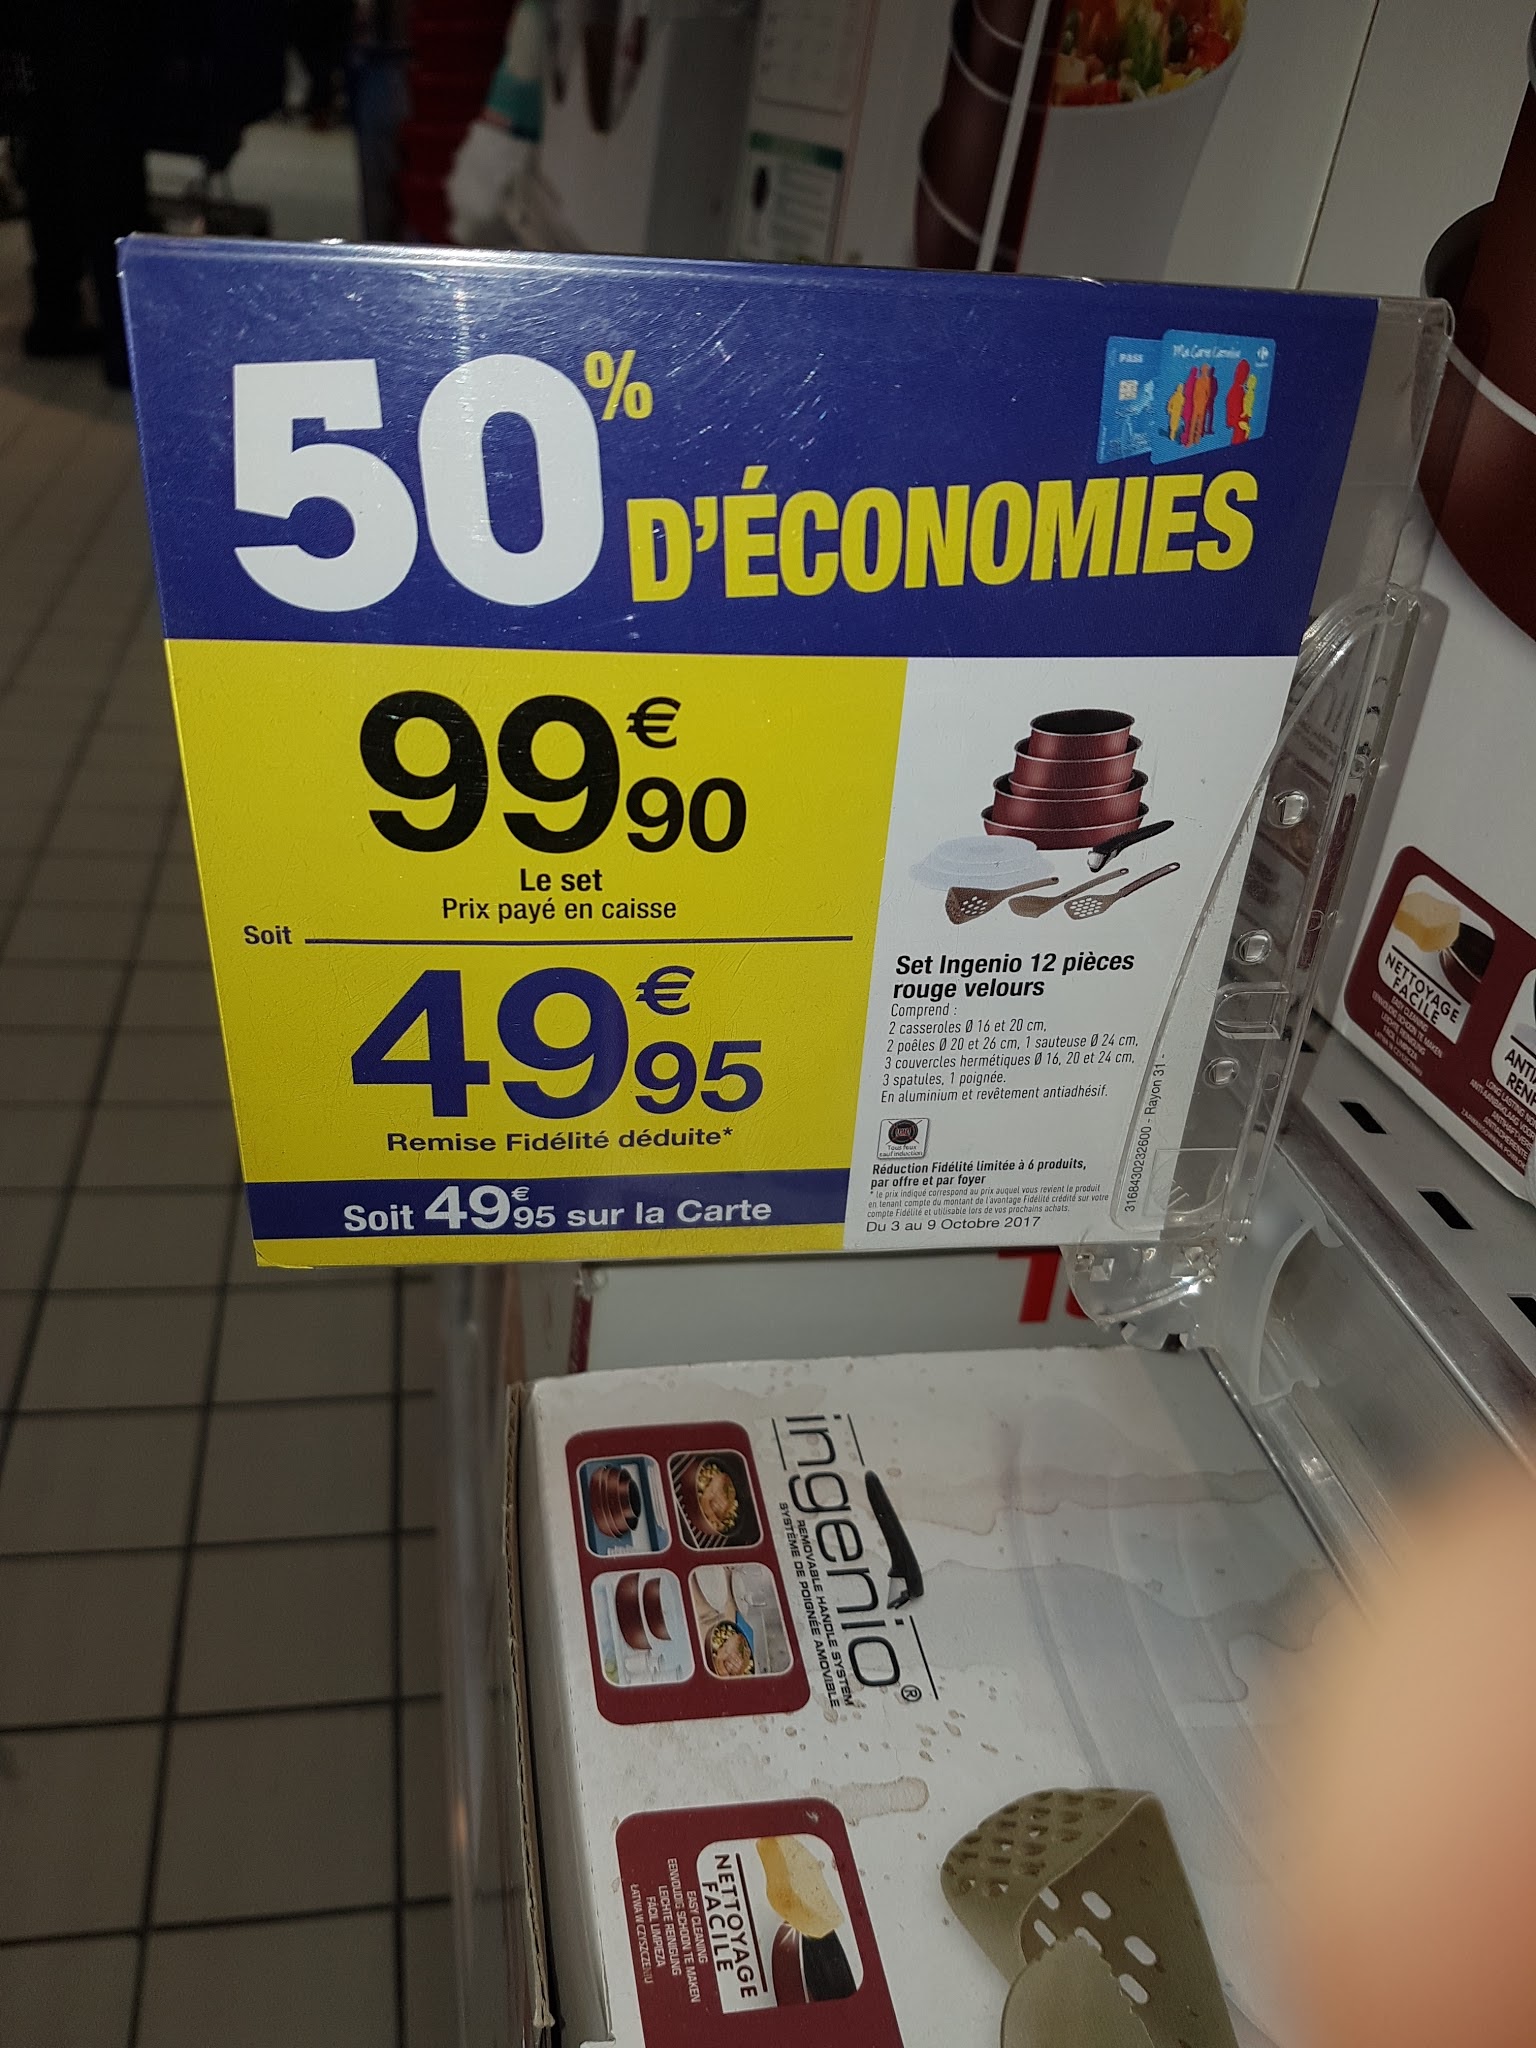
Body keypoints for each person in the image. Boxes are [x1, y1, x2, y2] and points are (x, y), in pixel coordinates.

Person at [4, 0, 154, 385]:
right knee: (109, 181)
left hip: (38, 37)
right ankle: (123, 341)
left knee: (50, 163)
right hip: (100, 39)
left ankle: (56, 315)